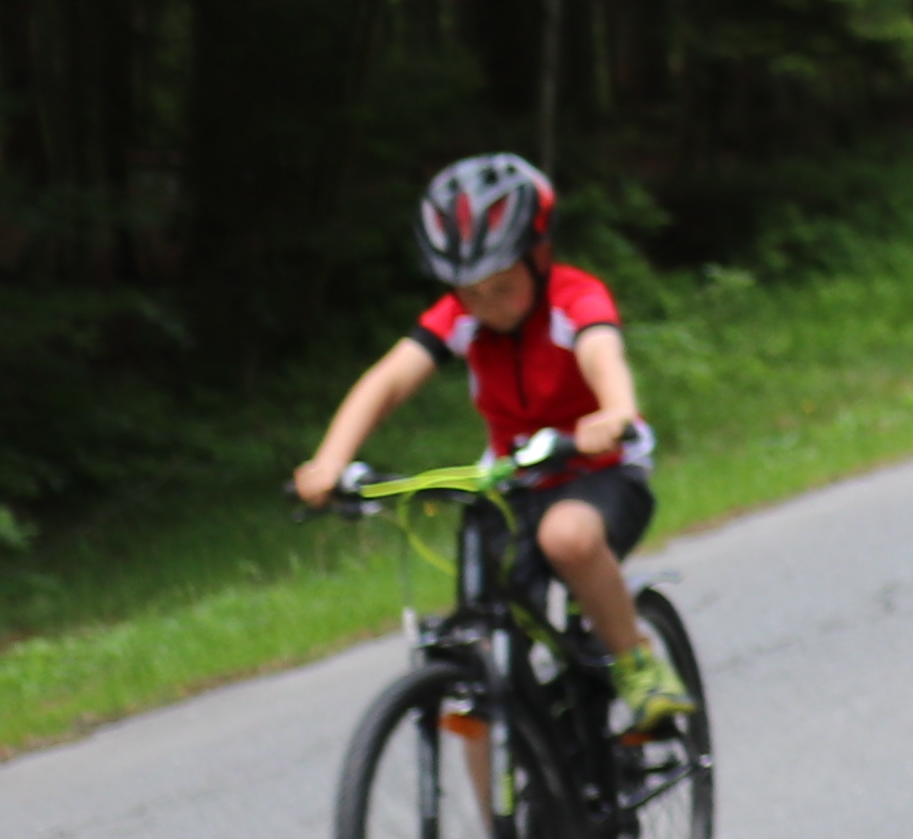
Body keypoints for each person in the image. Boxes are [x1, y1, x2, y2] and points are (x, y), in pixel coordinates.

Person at [290, 152, 691, 767]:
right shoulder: (462, 318)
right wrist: (330, 462)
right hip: (513, 485)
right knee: (475, 671)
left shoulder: (572, 298)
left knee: (568, 537)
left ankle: (637, 665)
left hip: (598, 472)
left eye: (503, 287)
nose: (488, 306)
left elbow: (601, 352)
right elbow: (390, 380)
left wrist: (613, 413)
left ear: (538, 256)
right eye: (469, 293)